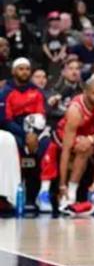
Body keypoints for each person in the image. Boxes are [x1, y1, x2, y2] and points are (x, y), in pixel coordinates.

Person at [44, 73, 94, 215]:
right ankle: (70, 194)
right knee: (84, 148)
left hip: (90, 135)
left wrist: (90, 139)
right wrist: (62, 185)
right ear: (85, 93)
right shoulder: (75, 111)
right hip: (65, 136)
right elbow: (65, 151)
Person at [0, 58, 51, 209]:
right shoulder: (6, 91)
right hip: (14, 128)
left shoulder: (36, 91)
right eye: (21, 69)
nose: (24, 72)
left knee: (47, 146)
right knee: (13, 146)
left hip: (35, 128)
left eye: (27, 69)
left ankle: (39, 195)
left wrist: (33, 133)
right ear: (13, 71)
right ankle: (13, 195)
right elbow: (5, 120)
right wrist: (25, 134)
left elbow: (41, 114)